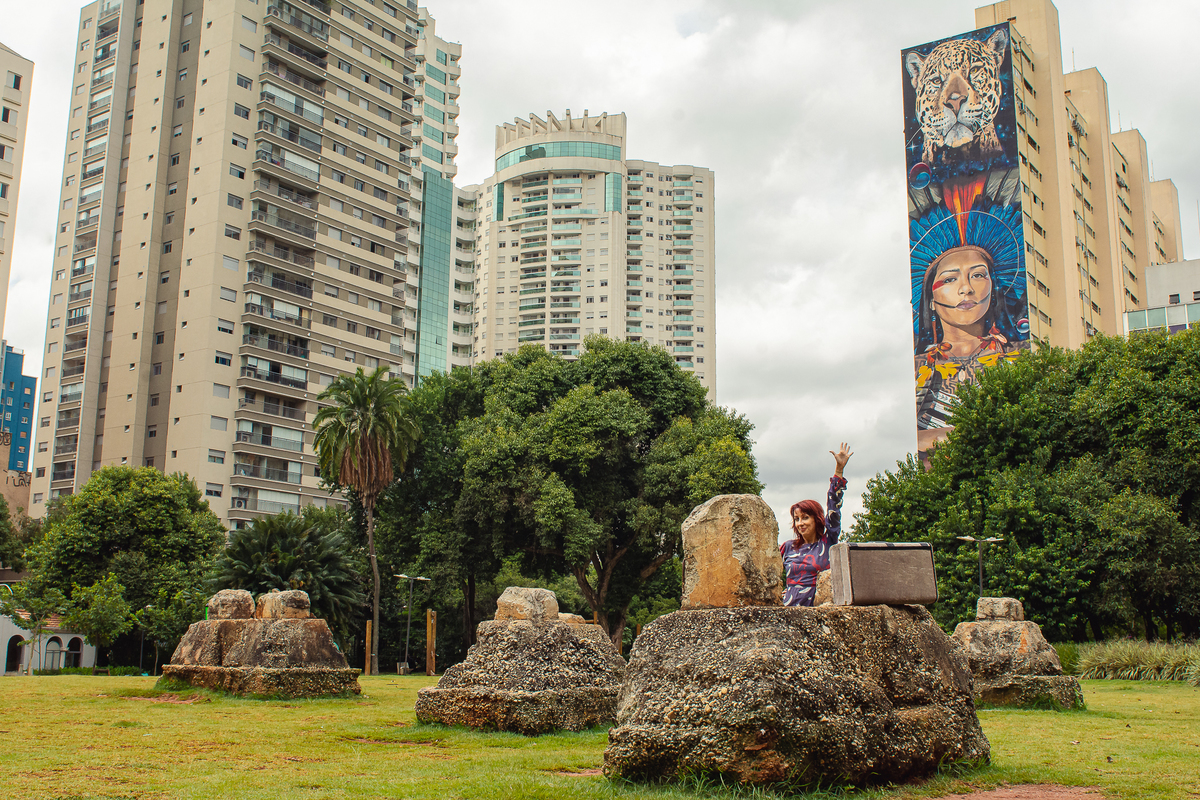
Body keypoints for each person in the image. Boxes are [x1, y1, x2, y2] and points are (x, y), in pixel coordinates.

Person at [781, 443, 852, 607]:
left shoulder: (827, 542)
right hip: (789, 611)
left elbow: (834, 509)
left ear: (816, 519)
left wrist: (839, 471)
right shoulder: (787, 547)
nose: (800, 523)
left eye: (805, 517)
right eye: (797, 519)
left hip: (818, 612)